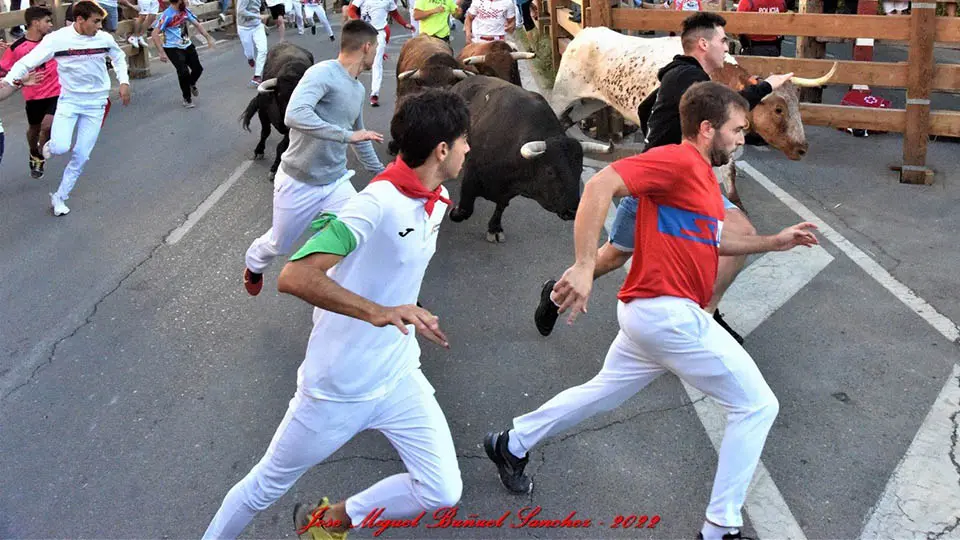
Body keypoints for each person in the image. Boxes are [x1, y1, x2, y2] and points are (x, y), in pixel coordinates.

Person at [485, 81, 819, 540]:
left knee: (600, 392)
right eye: (737, 130)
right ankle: (721, 527)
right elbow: (602, 183)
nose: (744, 138)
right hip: (669, 315)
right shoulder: (679, 160)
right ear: (707, 130)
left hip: (650, 315)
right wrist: (584, 266)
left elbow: (713, 240)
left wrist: (774, 242)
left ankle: (511, 443)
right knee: (758, 405)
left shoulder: (701, 177)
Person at [204, 88, 470, 540]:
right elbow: (295, 275)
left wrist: (409, 308)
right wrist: (378, 310)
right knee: (264, 485)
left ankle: (329, 521)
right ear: (442, 149)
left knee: (442, 490)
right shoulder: (372, 204)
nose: (469, 149)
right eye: (465, 140)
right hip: (336, 390)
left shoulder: (436, 198)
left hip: (399, 375)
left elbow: (387, 270)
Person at [533, 12, 795, 342]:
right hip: (657, 185)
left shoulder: (681, 76)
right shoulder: (687, 78)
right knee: (613, 256)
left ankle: (704, 317)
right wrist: (767, 86)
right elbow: (731, 108)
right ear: (703, 43)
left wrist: (659, 133)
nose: (726, 47)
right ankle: (555, 295)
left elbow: (646, 108)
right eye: (722, 40)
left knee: (740, 234)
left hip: (692, 181)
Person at [242, 20, 386, 296]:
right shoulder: (322, 73)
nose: (377, 52)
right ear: (366, 47)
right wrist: (346, 137)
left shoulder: (357, 90)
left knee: (361, 231)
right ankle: (253, 265)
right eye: (376, 47)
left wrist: (384, 174)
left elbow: (359, 136)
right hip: (298, 180)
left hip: (335, 181)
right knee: (278, 244)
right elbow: (294, 115)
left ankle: (354, 290)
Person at [0, 0, 131, 217]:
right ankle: (50, 146)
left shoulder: (104, 38)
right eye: (96, 22)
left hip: (96, 103)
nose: (99, 26)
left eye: (101, 22)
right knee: (60, 148)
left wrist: (124, 81)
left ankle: (60, 197)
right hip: (69, 101)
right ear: (80, 20)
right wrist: (11, 79)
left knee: (81, 154)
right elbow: (27, 62)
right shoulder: (57, 40)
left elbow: (118, 57)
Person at [0, 6, 61, 179]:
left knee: (46, 125)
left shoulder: (53, 40)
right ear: (35, 23)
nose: (50, 25)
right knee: (34, 129)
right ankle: (34, 152)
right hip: (33, 95)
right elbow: (4, 70)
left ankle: (42, 152)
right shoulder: (18, 47)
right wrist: (16, 80)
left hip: (56, 91)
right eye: (47, 21)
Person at [348, 0, 413, 107]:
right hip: (363, 32)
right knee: (358, 61)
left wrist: (405, 24)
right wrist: (359, 23)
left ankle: (375, 94)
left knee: (376, 63)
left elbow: (394, 13)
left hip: (379, 33)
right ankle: (350, 85)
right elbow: (351, 10)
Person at [152, 0, 215, 108]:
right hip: (173, 48)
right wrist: (161, 52)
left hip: (187, 44)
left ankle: (191, 83)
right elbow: (154, 34)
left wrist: (208, 37)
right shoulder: (167, 15)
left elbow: (197, 24)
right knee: (183, 72)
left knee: (198, 69)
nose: (186, 1)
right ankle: (187, 98)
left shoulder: (184, 11)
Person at [236, 0, 268, 87]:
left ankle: (257, 76)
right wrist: (258, 16)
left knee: (263, 50)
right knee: (249, 53)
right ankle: (250, 58)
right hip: (244, 27)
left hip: (257, 26)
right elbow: (240, 11)